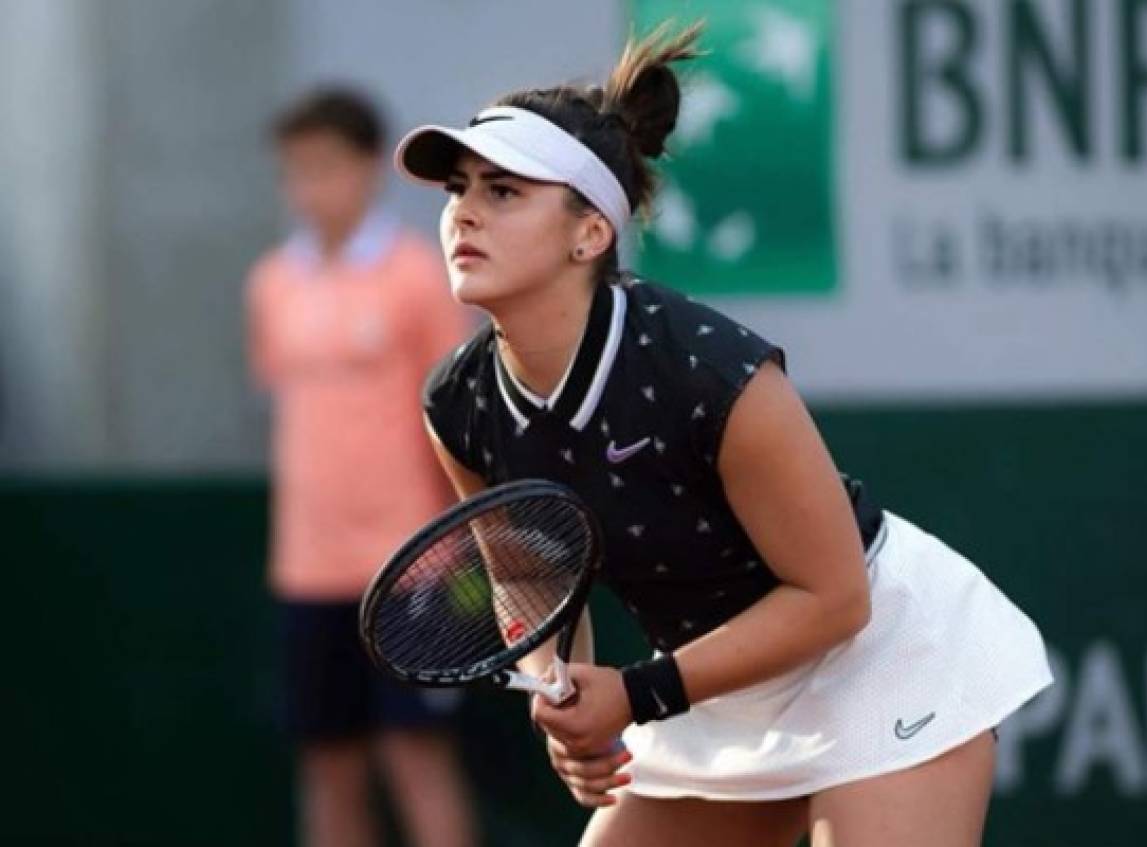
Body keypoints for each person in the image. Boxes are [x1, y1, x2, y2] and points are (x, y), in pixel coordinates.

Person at [397, 23, 1052, 847]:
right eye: (458, 189)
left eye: (503, 192)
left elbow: (836, 597)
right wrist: (556, 689)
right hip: (712, 685)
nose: (463, 214)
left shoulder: (703, 370)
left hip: (880, 657)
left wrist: (633, 694)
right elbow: (529, 572)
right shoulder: (458, 404)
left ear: (589, 233)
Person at [246, 87, 476, 847]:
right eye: (296, 171)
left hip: (414, 567)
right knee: (327, 764)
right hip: (307, 569)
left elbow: (451, 420)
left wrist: (454, 547)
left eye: (327, 167)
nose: (311, 188)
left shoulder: (418, 277)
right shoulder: (273, 285)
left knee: (416, 756)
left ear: (370, 168)